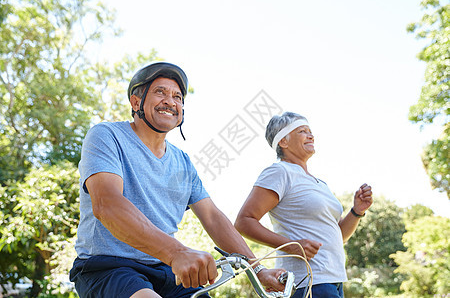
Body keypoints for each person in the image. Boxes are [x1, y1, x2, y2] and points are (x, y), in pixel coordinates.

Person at [69, 62, 286, 298]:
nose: (170, 101)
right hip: (109, 267)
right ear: (135, 103)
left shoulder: (182, 162)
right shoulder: (107, 136)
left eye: (178, 96)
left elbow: (212, 217)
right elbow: (107, 205)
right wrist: (176, 253)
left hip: (164, 269)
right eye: (160, 92)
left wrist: (259, 269)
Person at [234, 112, 373, 298]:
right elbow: (244, 221)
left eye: (310, 131)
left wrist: (357, 211)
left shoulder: (319, 183)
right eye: (302, 131)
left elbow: (338, 236)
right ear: (283, 141)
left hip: (333, 280)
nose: (311, 135)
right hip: (307, 282)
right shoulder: (280, 172)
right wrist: (291, 245)